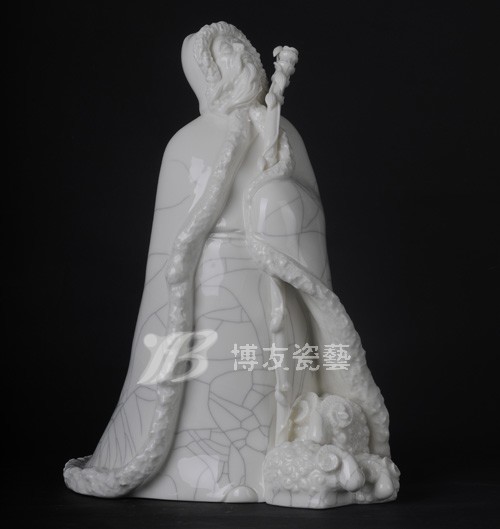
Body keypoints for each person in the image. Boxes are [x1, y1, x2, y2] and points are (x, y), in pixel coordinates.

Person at [64, 21, 396, 506]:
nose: (243, 59)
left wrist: (277, 200)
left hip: (277, 280)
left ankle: (284, 459)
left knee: (275, 375)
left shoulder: (284, 135)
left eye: (244, 50)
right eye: (227, 55)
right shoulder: (185, 144)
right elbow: (170, 248)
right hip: (209, 287)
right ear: (208, 76)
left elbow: (310, 216)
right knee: (211, 380)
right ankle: (201, 465)